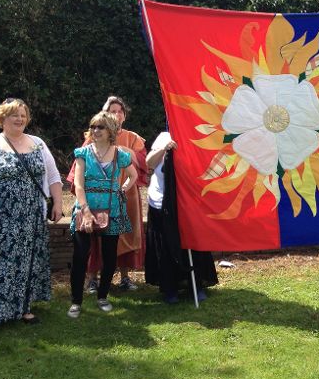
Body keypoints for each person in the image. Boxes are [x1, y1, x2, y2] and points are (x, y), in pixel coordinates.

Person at [0, 98, 62, 330]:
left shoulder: (38, 144)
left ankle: (22, 309)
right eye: (14, 115)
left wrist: (57, 202)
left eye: (23, 115)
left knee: (24, 265)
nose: (19, 119)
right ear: (2, 119)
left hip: (29, 222)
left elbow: (53, 177)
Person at [68, 111, 138, 318]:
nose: (96, 131)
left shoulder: (120, 155)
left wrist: (122, 190)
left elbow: (133, 176)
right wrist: (85, 210)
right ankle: (76, 302)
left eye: (101, 127)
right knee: (80, 256)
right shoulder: (83, 154)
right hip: (85, 209)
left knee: (109, 258)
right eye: (93, 127)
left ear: (111, 131)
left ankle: (102, 296)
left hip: (112, 210)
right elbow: (78, 184)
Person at [83, 96, 147, 293]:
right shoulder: (94, 135)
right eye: (112, 110)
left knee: (124, 233)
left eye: (120, 111)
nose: (116, 114)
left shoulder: (133, 138)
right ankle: (93, 278)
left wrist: (124, 150)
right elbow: (82, 163)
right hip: (99, 195)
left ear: (124, 116)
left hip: (126, 194)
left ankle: (125, 278)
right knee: (97, 234)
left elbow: (143, 163)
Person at [144, 131, 218, 303]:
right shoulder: (164, 136)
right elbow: (149, 163)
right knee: (166, 246)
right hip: (161, 202)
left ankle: (196, 285)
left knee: (192, 243)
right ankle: (170, 287)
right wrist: (164, 148)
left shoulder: (199, 135)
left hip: (188, 203)